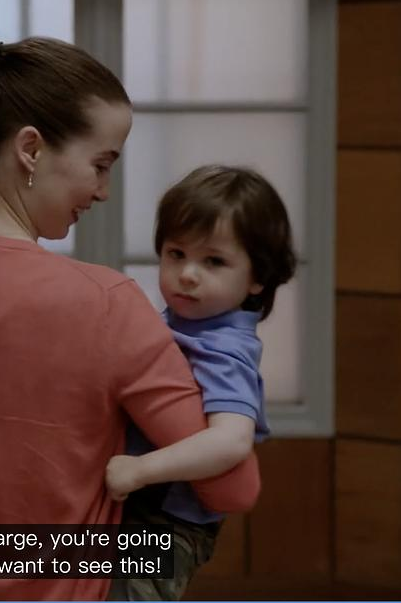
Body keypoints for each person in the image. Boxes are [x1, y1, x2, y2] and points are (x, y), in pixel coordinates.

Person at [0, 30, 261, 601]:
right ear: (31, 149)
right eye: (100, 164)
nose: (104, 191)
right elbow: (233, 488)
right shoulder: (106, 301)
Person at [105, 165, 297, 601]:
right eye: (176, 253)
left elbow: (231, 441)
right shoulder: (179, 324)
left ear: (257, 277)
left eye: (213, 261)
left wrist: (141, 470)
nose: (188, 273)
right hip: (132, 501)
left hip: (169, 519)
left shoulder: (225, 349)